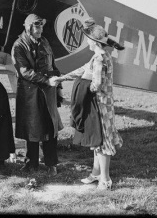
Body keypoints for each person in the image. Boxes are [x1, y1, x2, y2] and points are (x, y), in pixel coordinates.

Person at [58, 19, 124, 190]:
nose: (86, 41)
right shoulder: (101, 56)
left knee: (101, 142)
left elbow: (96, 84)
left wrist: (82, 83)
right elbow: (83, 69)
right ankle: (96, 173)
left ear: (94, 42)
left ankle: (105, 179)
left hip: (100, 105)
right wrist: (62, 77)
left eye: (87, 38)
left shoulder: (100, 58)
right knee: (97, 141)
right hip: (105, 104)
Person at [11, 13, 64, 176]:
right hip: (30, 93)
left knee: (50, 127)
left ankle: (51, 163)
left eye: (41, 26)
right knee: (31, 128)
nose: (40, 29)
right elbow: (24, 71)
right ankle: (31, 163)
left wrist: (58, 86)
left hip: (48, 92)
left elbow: (53, 64)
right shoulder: (19, 46)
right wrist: (46, 81)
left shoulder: (45, 42)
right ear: (28, 28)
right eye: (36, 26)